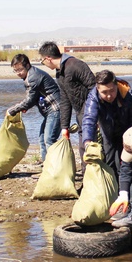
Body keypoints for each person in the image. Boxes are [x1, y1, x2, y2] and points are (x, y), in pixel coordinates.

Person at [38, 41, 95, 170]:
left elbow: (94, 88)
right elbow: (65, 100)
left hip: (92, 115)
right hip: (81, 115)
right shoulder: (60, 73)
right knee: (83, 148)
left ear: (48, 58)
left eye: (42, 61)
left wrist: (93, 114)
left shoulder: (75, 65)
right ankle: (87, 183)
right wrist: (64, 126)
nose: (43, 64)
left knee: (92, 148)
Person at [81, 69, 132, 178]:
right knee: (108, 161)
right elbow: (89, 120)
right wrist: (87, 142)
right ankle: (113, 187)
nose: (109, 96)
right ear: (97, 89)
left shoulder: (129, 96)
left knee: (127, 162)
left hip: (128, 131)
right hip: (108, 132)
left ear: (116, 86)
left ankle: (127, 188)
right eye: (104, 92)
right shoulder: (93, 98)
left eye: (112, 91)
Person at [6, 53, 61, 162]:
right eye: (15, 71)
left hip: (56, 110)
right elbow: (34, 97)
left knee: (49, 140)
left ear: (27, 65)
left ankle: (54, 168)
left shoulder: (33, 77)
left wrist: (12, 110)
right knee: (42, 139)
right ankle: (47, 166)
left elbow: (29, 100)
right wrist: (24, 107)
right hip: (50, 111)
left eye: (20, 69)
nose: (18, 73)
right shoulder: (30, 75)